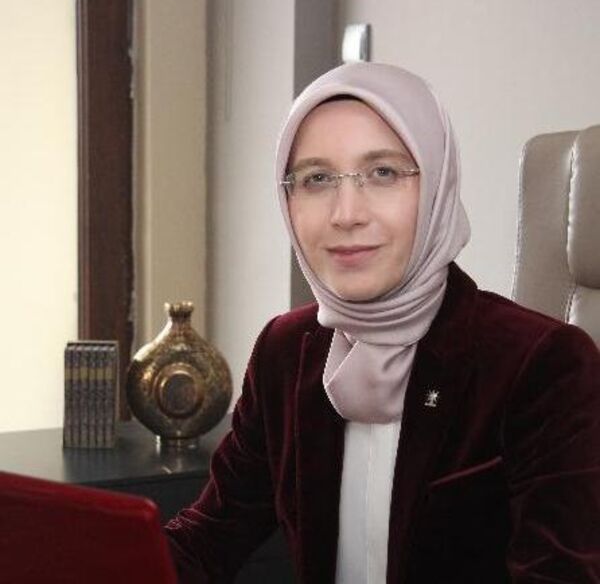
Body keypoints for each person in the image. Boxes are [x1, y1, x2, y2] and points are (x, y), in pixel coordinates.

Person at [165, 63, 600, 583]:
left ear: (436, 187)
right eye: (317, 179)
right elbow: (210, 535)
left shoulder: (542, 364)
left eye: (384, 173)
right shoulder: (286, 350)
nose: (346, 213)